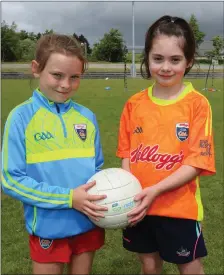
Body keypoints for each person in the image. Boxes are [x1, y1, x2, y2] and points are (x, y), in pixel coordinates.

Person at [116, 15, 216, 275]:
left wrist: (156, 191)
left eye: (175, 59)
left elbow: (196, 162)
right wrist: (129, 194)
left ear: (189, 61)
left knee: (189, 265)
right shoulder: (133, 104)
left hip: (179, 208)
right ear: (147, 58)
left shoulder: (197, 104)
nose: (165, 67)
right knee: (149, 265)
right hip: (139, 206)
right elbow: (126, 154)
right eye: (158, 58)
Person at [1, 34, 108, 275]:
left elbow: (97, 171)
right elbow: (10, 179)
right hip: (49, 227)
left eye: (75, 77)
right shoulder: (21, 118)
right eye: (57, 75)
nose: (65, 85)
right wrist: (70, 198)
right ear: (36, 69)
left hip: (87, 222)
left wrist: (114, 197)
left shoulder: (86, 117)